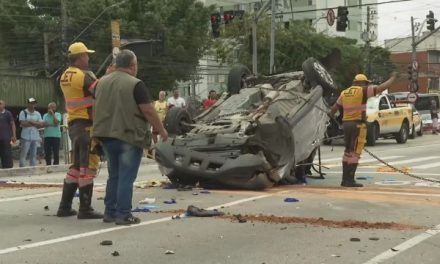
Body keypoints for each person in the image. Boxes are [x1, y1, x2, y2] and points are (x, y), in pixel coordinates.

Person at [94, 49, 168, 225]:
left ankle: (109, 212)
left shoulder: (101, 83)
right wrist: (162, 131)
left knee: (114, 175)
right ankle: (123, 214)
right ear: (133, 66)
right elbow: (148, 110)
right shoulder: (136, 84)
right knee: (126, 176)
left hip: (106, 135)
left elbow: (94, 107)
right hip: (128, 136)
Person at [56, 42, 102, 219]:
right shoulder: (81, 76)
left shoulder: (64, 75)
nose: (88, 58)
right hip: (85, 125)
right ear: (81, 56)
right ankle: (85, 208)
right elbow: (101, 91)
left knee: (75, 167)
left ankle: (65, 206)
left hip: (74, 125)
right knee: (87, 167)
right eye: (87, 55)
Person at [330, 72, 398, 187]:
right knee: (355, 153)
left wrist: (330, 115)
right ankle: (350, 180)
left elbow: (334, 109)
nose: (366, 86)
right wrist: (393, 78)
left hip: (346, 125)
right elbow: (382, 87)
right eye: (365, 84)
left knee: (348, 152)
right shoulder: (363, 90)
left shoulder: (344, 92)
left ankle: (345, 179)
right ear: (361, 83)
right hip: (357, 125)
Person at [19, 98, 44, 167]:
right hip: (25, 136)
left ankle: (32, 169)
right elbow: (23, 123)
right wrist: (36, 123)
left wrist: (31, 122)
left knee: (33, 154)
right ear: (28, 104)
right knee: (24, 154)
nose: (32, 105)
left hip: (35, 136)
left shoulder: (37, 113)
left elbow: (41, 124)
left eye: (34, 103)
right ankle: (22, 169)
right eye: (31, 103)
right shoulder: (23, 112)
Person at [0, 99, 16, 168]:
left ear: (4, 105)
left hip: (6, 137)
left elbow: (12, 124)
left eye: (0, 103)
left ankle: (8, 168)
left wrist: (14, 135)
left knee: (6, 154)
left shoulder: (8, 113)